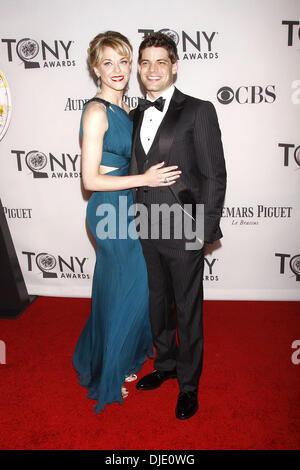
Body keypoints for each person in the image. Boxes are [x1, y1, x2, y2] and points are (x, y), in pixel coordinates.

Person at [72, 31, 181, 414]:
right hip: (108, 209)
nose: (117, 70)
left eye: (122, 61)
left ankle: (112, 357)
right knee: (127, 291)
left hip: (129, 207)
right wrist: (145, 179)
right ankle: (110, 374)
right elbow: (89, 179)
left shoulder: (127, 109)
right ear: (95, 68)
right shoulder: (97, 111)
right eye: (107, 63)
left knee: (123, 288)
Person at [130, 32, 227, 420]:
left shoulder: (199, 110)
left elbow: (214, 175)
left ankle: (189, 385)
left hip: (185, 228)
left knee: (187, 309)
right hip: (145, 225)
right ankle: (165, 365)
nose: (153, 69)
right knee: (157, 304)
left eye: (161, 62)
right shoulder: (134, 113)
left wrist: (204, 229)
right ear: (139, 68)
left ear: (175, 66)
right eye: (146, 62)